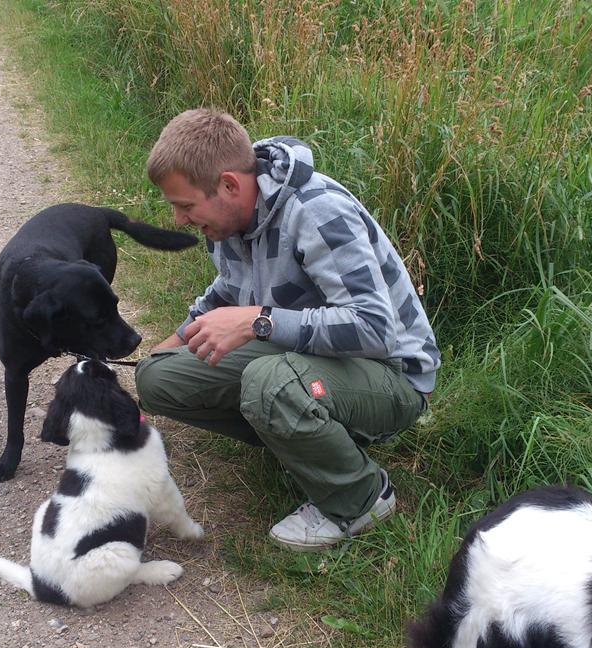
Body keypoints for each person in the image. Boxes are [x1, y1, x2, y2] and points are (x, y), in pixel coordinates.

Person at [134, 108, 440, 551]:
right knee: (158, 378)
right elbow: (225, 292)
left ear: (229, 185)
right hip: (310, 363)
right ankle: (299, 433)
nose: (180, 220)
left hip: (391, 375)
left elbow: (375, 329)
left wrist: (259, 320)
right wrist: (164, 350)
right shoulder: (233, 221)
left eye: (185, 206)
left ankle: (362, 500)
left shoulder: (316, 211)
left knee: (269, 384)